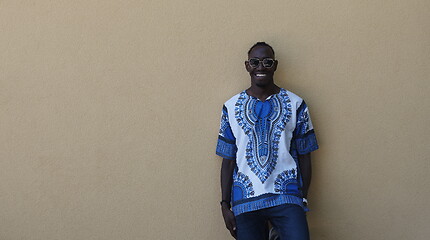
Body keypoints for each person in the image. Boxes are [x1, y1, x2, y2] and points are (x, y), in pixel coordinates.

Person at [216, 42, 319, 240]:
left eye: (267, 62)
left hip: (286, 197)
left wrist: (303, 196)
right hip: (245, 202)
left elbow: (305, 154)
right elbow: (228, 160)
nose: (261, 67)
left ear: (275, 65)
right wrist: (224, 205)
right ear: (247, 66)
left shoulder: (296, 103)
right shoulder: (230, 107)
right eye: (255, 62)